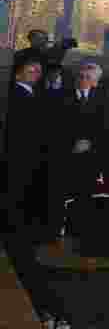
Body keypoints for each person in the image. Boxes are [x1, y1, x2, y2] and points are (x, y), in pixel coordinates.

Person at [53, 63, 108, 237]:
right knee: (59, 193)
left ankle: (79, 228)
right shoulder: (60, 96)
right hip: (64, 154)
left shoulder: (103, 99)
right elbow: (53, 126)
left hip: (91, 156)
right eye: (81, 76)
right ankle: (56, 227)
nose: (82, 80)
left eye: (88, 77)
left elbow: (106, 128)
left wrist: (90, 143)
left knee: (84, 193)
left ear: (95, 82)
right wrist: (71, 145)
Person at [4, 60, 46, 237]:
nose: (36, 74)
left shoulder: (35, 93)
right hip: (17, 154)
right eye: (31, 71)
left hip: (31, 155)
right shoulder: (15, 93)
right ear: (18, 74)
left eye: (38, 71)